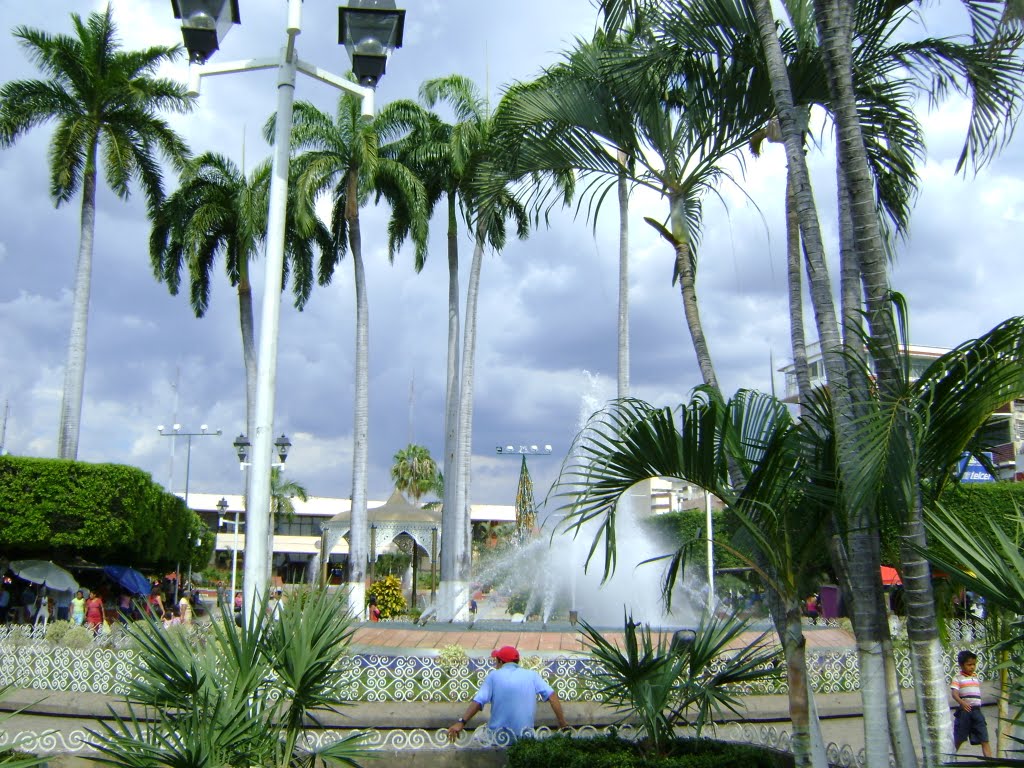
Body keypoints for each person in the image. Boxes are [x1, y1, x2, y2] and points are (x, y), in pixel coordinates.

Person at [447, 645, 568, 741]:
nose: (495, 664)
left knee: (477, 739)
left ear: (500, 661)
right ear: (518, 661)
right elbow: (552, 696)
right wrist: (562, 723)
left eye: (496, 661)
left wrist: (461, 722)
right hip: (524, 738)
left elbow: (478, 701)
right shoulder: (532, 675)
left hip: (497, 737)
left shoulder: (494, 676)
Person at [952, 650, 991, 757]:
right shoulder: (958, 678)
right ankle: (949, 758)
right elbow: (954, 694)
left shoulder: (975, 677)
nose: (972, 667)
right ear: (961, 665)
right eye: (969, 665)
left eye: (974, 664)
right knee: (959, 738)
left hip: (977, 711)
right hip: (965, 711)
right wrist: (962, 703)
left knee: (984, 738)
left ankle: (991, 763)